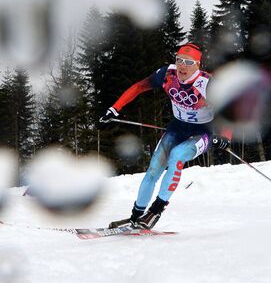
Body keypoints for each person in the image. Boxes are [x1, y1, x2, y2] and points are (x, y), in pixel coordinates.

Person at [99, 43, 231, 229]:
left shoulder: (207, 83)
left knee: (177, 155)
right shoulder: (167, 74)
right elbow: (138, 87)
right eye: (179, 60)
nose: (182, 66)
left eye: (188, 62)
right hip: (177, 128)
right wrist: (115, 108)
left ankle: (156, 211)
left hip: (203, 133)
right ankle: (136, 216)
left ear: (197, 65)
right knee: (153, 170)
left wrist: (225, 136)